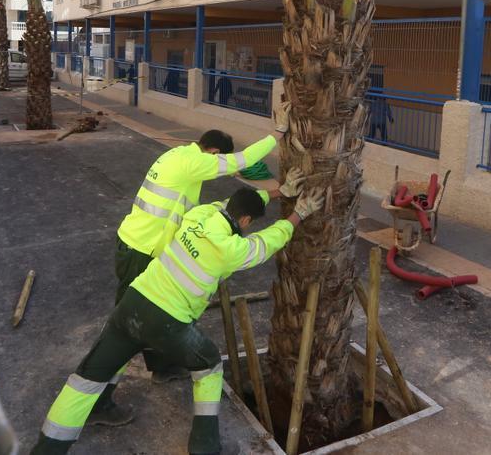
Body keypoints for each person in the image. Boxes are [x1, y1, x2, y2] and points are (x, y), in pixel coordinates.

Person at [31, 183, 323, 455]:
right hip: (165, 322)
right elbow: (267, 242)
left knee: (85, 380)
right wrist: (299, 214)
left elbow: (231, 204)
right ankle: (204, 447)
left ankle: (47, 447)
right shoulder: (229, 250)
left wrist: (276, 192)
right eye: (249, 223)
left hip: (131, 304)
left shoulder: (199, 215)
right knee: (208, 366)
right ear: (246, 222)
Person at [99, 104, 291, 405]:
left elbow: (225, 202)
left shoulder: (179, 156)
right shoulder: (196, 162)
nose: (220, 167)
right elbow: (243, 160)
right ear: (213, 152)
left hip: (140, 244)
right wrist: (277, 134)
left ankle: (163, 367)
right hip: (140, 250)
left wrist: (273, 193)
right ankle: (100, 398)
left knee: (150, 315)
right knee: (126, 328)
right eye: (219, 160)